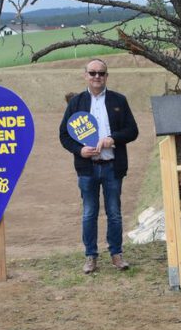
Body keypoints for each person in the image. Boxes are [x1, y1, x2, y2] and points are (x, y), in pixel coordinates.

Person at [59, 59, 140, 274]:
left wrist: (112, 139)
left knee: (114, 213)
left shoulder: (119, 101)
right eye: (93, 73)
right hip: (87, 168)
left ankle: (116, 254)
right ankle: (90, 256)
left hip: (113, 167)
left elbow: (132, 130)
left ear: (106, 76)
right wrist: (80, 150)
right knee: (89, 213)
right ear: (85, 75)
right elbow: (64, 135)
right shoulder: (75, 103)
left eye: (101, 73)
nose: (97, 77)